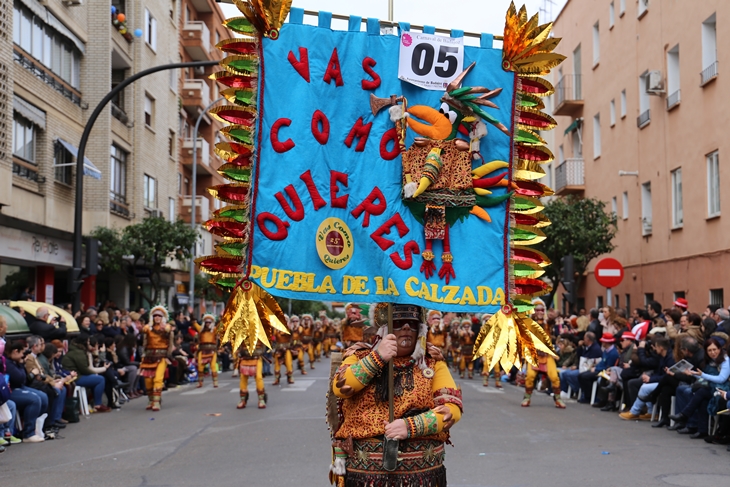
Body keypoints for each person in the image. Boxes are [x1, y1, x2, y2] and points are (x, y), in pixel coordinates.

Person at [331, 303, 462, 487]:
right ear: (384, 330)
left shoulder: (432, 364)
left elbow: (452, 410)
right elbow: (341, 387)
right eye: (398, 322)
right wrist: (378, 357)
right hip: (365, 476)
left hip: (421, 477)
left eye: (412, 323)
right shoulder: (359, 356)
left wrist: (411, 426)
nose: (406, 327)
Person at [669, 338, 730, 438]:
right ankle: (702, 430)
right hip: (712, 387)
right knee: (702, 398)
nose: (713, 352)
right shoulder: (710, 361)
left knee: (701, 392)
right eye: (709, 350)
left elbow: (721, 379)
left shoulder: (725, 360)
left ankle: (684, 415)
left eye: (715, 349)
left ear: (719, 348)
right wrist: (693, 374)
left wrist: (702, 375)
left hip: (723, 389)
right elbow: (705, 376)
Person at [523, 300, 567, 408]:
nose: (540, 312)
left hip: (547, 354)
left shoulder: (548, 323)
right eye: (537, 309)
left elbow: (552, 322)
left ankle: (558, 399)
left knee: (554, 376)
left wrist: (552, 316)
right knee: (530, 376)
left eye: (542, 310)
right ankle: (527, 398)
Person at [619, 336, 674, 421]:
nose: (654, 349)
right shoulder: (662, 357)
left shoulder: (670, 359)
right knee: (644, 384)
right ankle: (651, 412)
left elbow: (667, 376)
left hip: (666, 383)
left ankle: (635, 411)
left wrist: (651, 379)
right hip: (661, 380)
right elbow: (659, 373)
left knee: (645, 387)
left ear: (661, 348)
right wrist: (650, 378)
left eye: (655, 347)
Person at [2, 340, 47, 442]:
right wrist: (22, 364)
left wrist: (21, 363)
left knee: (43, 397)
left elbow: (24, 380)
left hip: (19, 387)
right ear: (15, 351)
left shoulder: (15, 362)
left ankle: (35, 426)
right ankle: (28, 433)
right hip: (11, 390)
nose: (24, 356)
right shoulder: (9, 363)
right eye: (23, 353)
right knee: (34, 399)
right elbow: (20, 378)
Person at [24, 336, 67, 431]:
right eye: (40, 345)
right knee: (53, 391)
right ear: (34, 346)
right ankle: (49, 422)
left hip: (41, 382)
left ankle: (55, 418)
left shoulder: (36, 357)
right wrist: (53, 383)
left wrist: (53, 381)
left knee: (60, 389)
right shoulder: (30, 358)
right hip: (35, 384)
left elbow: (43, 373)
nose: (42, 347)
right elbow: (38, 376)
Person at [62, 335, 110, 413]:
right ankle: (98, 404)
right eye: (88, 342)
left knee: (95, 378)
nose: (88, 343)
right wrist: (95, 374)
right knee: (100, 379)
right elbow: (84, 369)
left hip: (75, 375)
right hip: (75, 377)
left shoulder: (77, 351)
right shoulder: (79, 353)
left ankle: (91, 402)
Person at [140, 306, 174, 411]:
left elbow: (169, 330)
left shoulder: (166, 327)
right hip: (148, 357)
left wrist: (166, 328)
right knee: (148, 380)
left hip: (161, 357)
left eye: (159, 316)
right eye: (155, 316)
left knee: (158, 379)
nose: (157, 318)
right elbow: (144, 331)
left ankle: (156, 402)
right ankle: (151, 400)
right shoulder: (148, 328)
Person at [579, 333, 619, 407]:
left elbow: (608, 367)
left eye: (603, 341)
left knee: (585, 377)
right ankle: (587, 395)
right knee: (581, 375)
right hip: (599, 369)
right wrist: (595, 367)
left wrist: (596, 369)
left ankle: (590, 397)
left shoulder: (613, 353)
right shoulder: (606, 351)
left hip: (605, 372)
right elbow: (602, 362)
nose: (602, 342)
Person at [236, 341, 267, 409]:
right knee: (243, 377)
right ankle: (243, 399)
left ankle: (261, 399)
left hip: (257, 357)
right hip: (245, 357)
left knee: (258, 377)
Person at [194, 314, 219, 388]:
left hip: (212, 351)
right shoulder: (200, 330)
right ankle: (200, 382)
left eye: (209, 322)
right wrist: (192, 315)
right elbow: (194, 324)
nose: (208, 324)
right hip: (202, 351)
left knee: (213, 366)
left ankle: (215, 382)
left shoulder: (214, 330)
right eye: (206, 322)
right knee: (200, 366)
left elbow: (220, 325)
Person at [273, 317, 295, 385]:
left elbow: (293, 335)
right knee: (277, 364)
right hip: (278, 349)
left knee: (288, 363)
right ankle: (277, 378)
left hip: (287, 349)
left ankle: (290, 377)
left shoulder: (289, 328)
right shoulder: (276, 329)